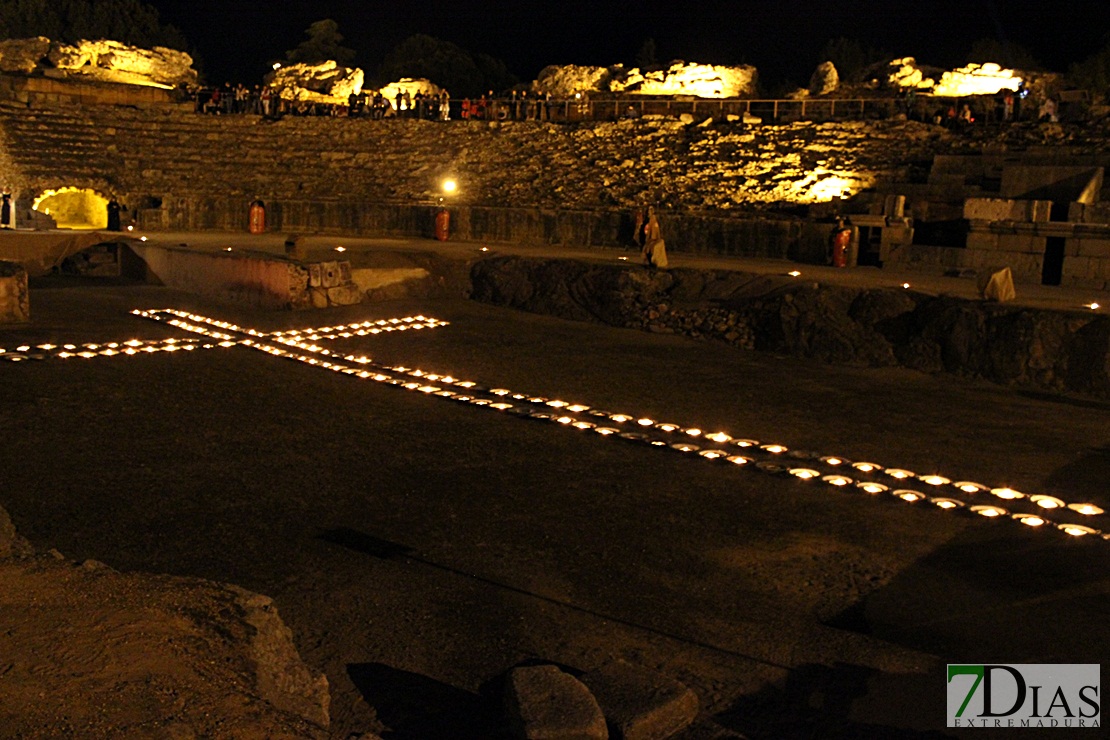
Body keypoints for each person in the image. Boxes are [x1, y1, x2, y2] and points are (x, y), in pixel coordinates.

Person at [636, 205, 668, 270]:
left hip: (652, 239)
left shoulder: (653, 221)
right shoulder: (648, 221)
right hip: (649, 239)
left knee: (650, 248)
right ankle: (649, 262)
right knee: (647, 248)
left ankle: (652, 262)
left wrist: (651, 239)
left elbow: (654, 233)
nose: (647, 213)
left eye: (649, 212)